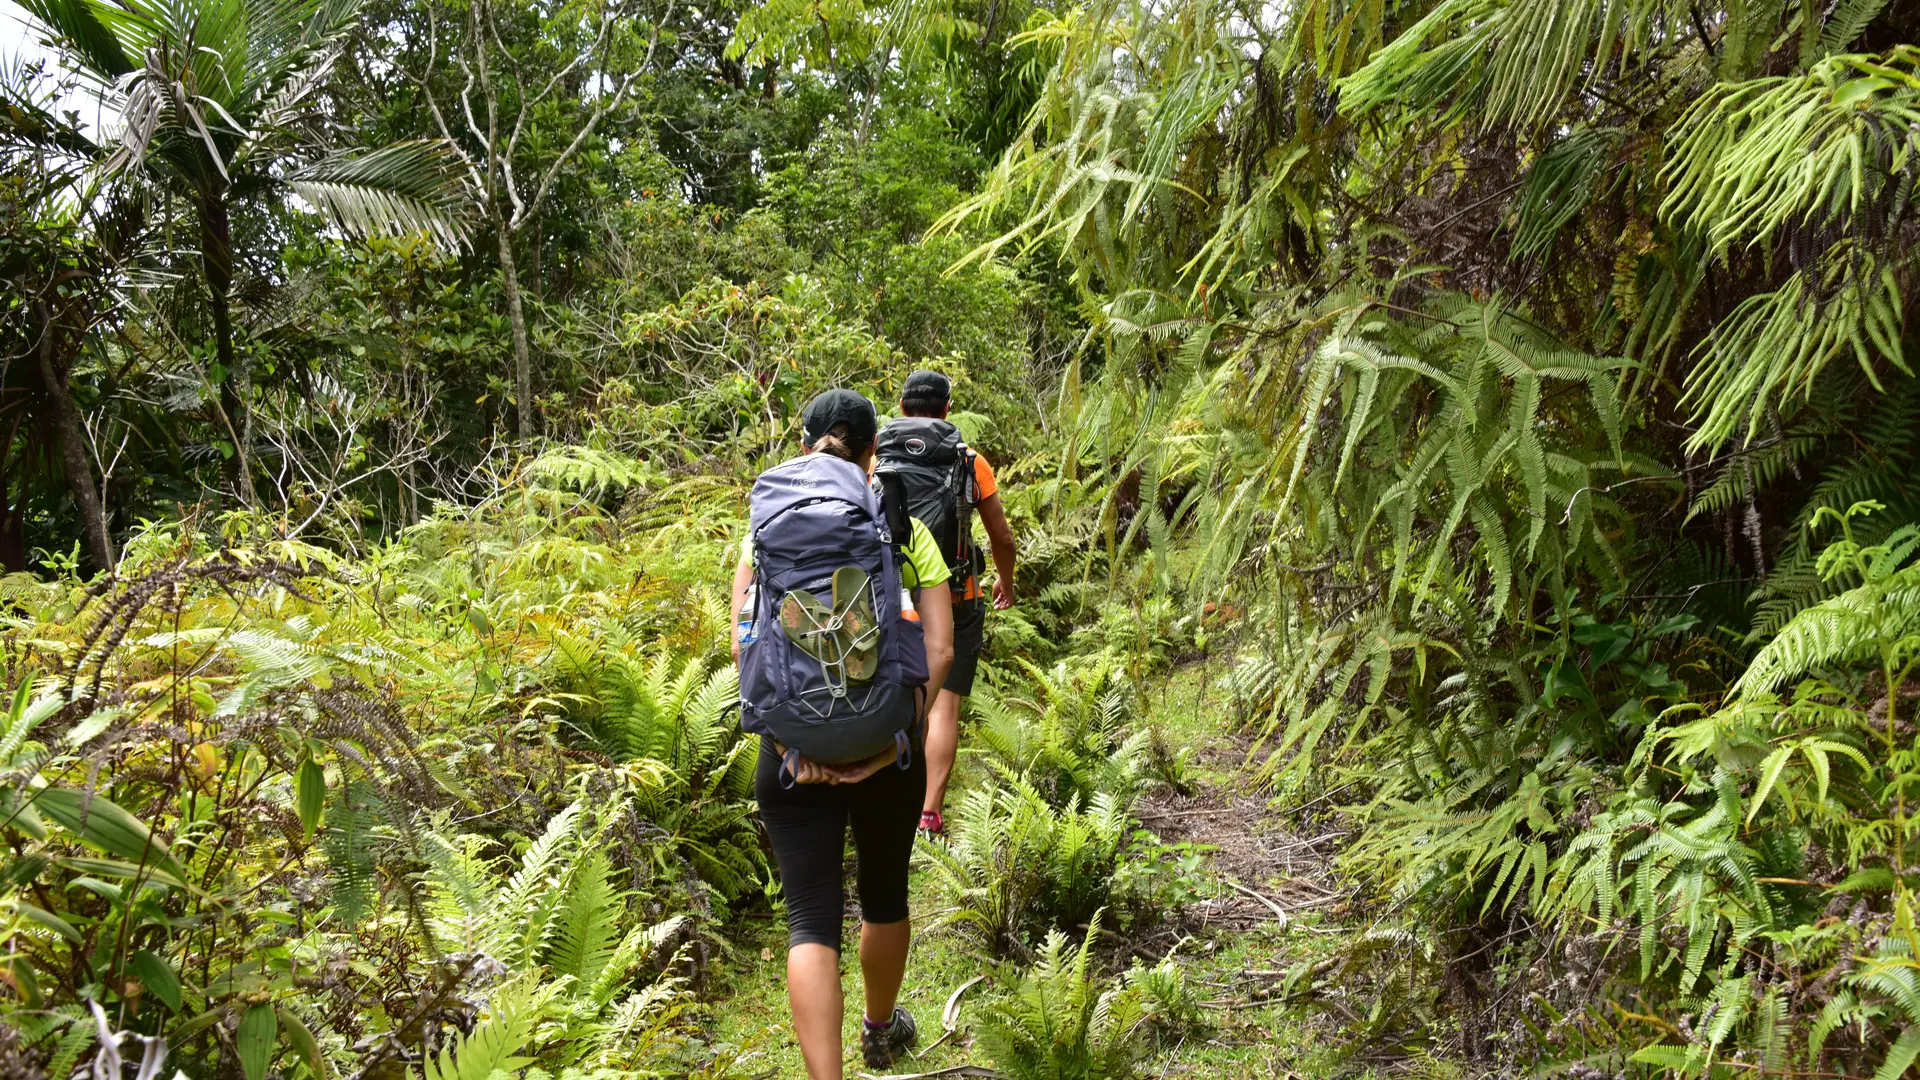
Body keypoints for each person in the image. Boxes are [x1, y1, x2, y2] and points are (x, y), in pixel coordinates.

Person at [731, 388, 955, 1078]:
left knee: (809, 920)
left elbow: (745, 649)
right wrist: (893, 736)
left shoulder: (763, 530)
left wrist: (797, 745)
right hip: (887, 747)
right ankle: (879, 1031)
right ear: (871, 454)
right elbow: (941, 651)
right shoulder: (900, 525)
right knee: (885, 896)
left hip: (791, 750)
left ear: (805, 449)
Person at [882, 370, 1017, 836]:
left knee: (893, 696)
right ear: (947, 409)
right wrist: (1007, 581)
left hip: (892, 598)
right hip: (958, 596)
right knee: (944, 706)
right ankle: (929, 812)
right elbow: (1002, 535)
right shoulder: (968, 461)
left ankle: (889, 797)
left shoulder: (875, 457)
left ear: (901, 407)